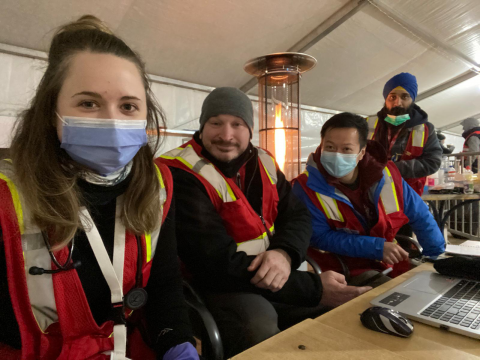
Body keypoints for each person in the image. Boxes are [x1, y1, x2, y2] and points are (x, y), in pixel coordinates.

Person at [0, 16, 198, 360]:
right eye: (88, 103)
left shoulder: (157, 184)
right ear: (51, 112)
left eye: (128, 106)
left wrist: (177, 342)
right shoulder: (6, 197)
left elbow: (164, 286)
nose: (112, 120)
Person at [160, 87, 370, 358]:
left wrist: (283, 254)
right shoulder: (179, 171)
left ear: (250, 129)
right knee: (256, 323)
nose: (226, 135)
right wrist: (313, 288)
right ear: (202, 127)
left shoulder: (264, 160)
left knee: (343, 308)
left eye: (237, 124)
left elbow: (296, 215)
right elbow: (212, 261)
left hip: (275, 274)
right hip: (218, 284)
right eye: (215, 123)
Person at [292, 113, 445, 285]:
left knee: (433, 284)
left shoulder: (387, 175)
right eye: (330, 147)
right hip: (341, 270)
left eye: (346, 149)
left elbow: (420, 214)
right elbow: (319, 237)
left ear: (361, 152)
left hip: (387, 263)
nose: (336, 155)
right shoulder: (305, 187)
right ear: (321, 146)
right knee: (395, 295)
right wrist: (376, 247)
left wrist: (436, 257)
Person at [366, 72, 442, 196]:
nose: (397, 103)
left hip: (408, 195)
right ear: (386, 99)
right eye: (392, 97)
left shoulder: (426, 129)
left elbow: (432, 162)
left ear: (412, 99)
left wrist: (391, 169)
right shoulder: (367, 124)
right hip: (371, 192)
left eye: (405, 97)